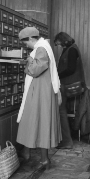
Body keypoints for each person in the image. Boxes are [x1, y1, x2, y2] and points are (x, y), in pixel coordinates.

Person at [16, 27, 62, 170]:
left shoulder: (41, 48)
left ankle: (40, 157)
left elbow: (35, 70)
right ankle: (37, 155)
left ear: (31, 39)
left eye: (26, 43)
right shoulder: (44, 46)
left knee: (35, 121)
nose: (27, 46)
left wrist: (28, 60)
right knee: (41, 122)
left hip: (40, 91)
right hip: (42, 90)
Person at [54, 32, 85, 149]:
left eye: (59, 44)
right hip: (65, 84)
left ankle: (66, 141)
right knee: (62, 111)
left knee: (61, 112)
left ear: (63, 40)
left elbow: (70, 69)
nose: (59, 46)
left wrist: (56, 74)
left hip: (66, 84)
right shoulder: (71, 48)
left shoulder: (71, 50)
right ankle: (65, 140)